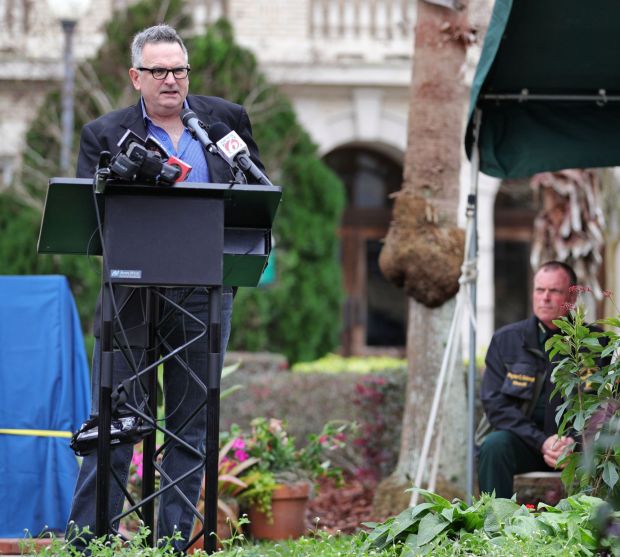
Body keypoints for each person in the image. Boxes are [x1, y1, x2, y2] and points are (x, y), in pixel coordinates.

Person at [66, 24, 265, 550]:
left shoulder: (224, 122)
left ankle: (170, 544)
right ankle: (90, 541)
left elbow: (258, 198)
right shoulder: (103, 134)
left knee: (189, 428)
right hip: (129, 296)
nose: (171, 80)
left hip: (204, 295)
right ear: (136, 77)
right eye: (158, 71)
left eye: (179, 69)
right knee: (114, 423)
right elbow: (90, 219)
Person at [476, 261, 588, 498]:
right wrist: (541, 441)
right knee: (494, 445)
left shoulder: (594, 344)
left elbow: (605, 406)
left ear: (572, 296)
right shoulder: (506, 340)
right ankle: (495, 525)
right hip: (525, 444)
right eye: (540, 290)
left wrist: (573, 443)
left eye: (554, 291)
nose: (545, 297)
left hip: (579, 449)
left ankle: (602, 528)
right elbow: (495, 404)